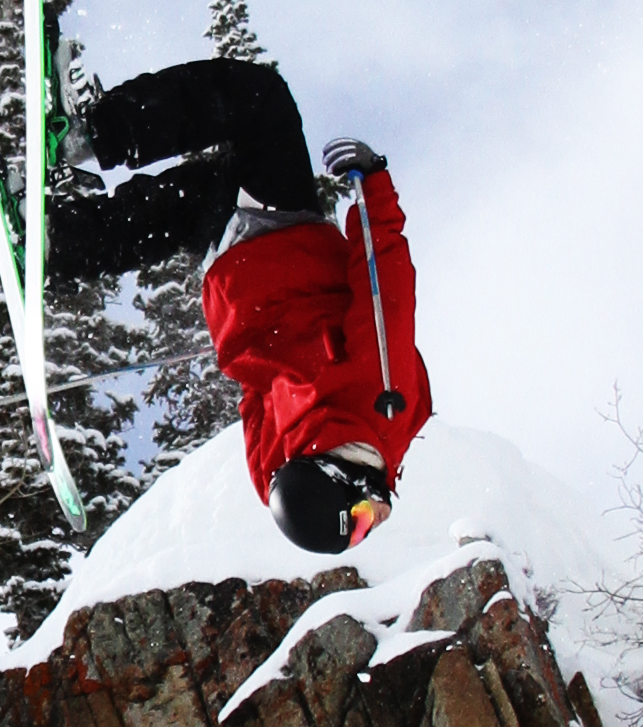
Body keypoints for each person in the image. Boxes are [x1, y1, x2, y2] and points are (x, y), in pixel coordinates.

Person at [51, 54, 431, 555]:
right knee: (182, 205)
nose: (374, 520)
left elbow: (386, 290)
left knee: (257, 99)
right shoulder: (275, 472)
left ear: (343, 478)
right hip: (229, 284)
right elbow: (252, 399)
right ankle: (59, 243)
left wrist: (373, 184)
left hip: (281, 243)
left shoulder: (384, 404)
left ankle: (91, 134)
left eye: (359, 519)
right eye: (364, 528)